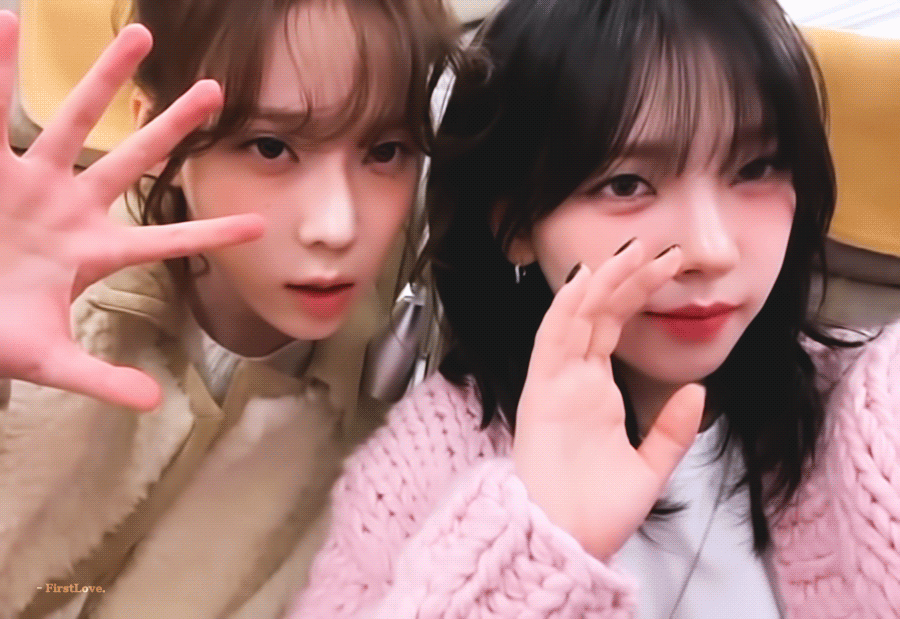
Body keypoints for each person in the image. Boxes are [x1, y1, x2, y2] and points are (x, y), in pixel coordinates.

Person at [285, 0, 900, 617]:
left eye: (755, 169)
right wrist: (535, 545)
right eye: (627, 184)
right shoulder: (416, 475)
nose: (710, 250)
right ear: (514, 223)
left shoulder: (875, 410)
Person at [0, 0, 459, 616]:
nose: (337, 226)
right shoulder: (38, 293)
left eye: (384, 151)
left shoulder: (410, 411)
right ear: (158, 134)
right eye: (270, 147)